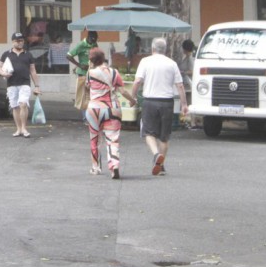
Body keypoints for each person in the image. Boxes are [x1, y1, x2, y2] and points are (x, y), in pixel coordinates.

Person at [131, 38, 188, 176]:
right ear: (165, 49)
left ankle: (156, 155)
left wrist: (132, 96)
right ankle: (161, 166)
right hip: (167, 102)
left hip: (150, 101)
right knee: (164, 136)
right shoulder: (172, 64)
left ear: (152, 49)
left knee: (148, 132)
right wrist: (184, 104)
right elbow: (180, 85)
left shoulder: (145, 61)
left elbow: (138, 80)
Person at [85, 48, 135, 178]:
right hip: (113, 108)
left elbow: (87, 87)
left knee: (94, 139)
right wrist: (132, 100)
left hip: (94, 108)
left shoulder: (90, 73)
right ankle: (114, 166)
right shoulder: (114, 72)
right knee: (113, 139)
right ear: (103, 59)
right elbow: (123, 91)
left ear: (92, 61)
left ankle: (95, 168)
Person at [0, 31, 40, 138]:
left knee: (23, 104)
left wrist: (37, 86)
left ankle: (24, 128)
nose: (19, 43)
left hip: (24, 83)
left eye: (21, 41)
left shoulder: (28, 54)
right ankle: (18, 129)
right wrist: (3, 73)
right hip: (11, 83)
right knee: (15, 106)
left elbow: (33, 70)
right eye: (17, 41)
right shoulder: (6, 54)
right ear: (12, 42)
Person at [66, 29, 99, 110]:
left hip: (92, 73)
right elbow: (69, 55)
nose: (93, 42)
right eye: (92, 40)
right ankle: (85, 117)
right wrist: (79, 65)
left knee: (91, 96)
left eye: (95, 40)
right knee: (82, 97)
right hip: (83, 74)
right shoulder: (81, 45)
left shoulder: (95, 44)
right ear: (88, 37)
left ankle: (90, 115)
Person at [177, 38, 198, 129]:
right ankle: (187, 121)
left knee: (189, 104)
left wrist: (183, 72)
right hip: (186, 84)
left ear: (185, 49)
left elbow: (192, 71)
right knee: (186, 103)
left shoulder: (190, 58)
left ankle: (191, 123)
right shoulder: (186, 57)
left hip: (189, 84)